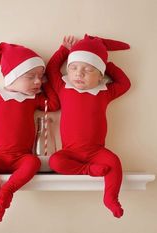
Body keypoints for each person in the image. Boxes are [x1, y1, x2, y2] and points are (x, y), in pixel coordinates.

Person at [0, 42, 60, 222]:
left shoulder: (33, 99)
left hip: (22, 156)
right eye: (31, 77)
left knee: (33, 164)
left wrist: (46, 86)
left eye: (41, 76)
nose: (38, 81)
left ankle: (7, 191)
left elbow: (54, 105)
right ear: (11, 77)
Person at [46, 34, 131, 218]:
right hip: (70, 152)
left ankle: (110, 198)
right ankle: (88, 170)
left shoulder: (104, 92)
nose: (79, 73)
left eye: (88, 69)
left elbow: (125, 83)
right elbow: (51, 69)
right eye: (74, 68)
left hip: (96, 151)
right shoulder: (63, 88)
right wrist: (63, 51)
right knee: (55, 161)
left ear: (101, 76)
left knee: (114, 162)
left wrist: (104, 61)